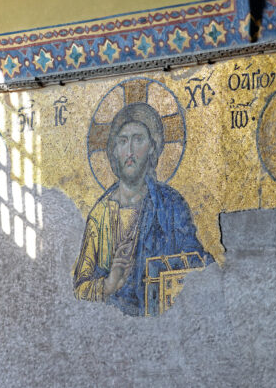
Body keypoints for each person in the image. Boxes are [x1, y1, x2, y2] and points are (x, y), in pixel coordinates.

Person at [73, 102, 213, 316]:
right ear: (114, 150)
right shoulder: (100, 216)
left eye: (138, 139)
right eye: (123, 141)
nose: (129, 150)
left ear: (152, 148)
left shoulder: (171, 205)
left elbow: (195, 262)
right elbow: (80, 289)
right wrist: (109, 285)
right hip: (113, 326)